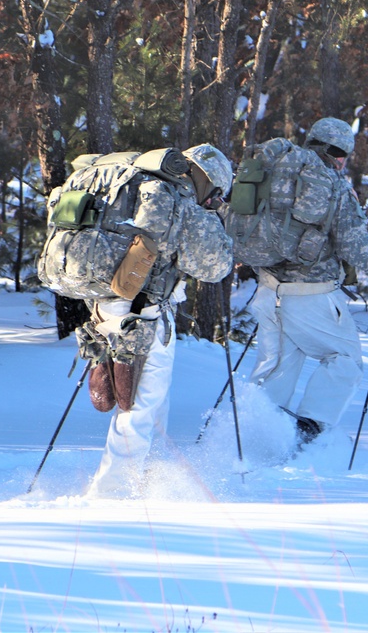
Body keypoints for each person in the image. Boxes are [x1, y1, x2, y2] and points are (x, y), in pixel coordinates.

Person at [244, 117, 368, 445]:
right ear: (337, 154)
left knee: (275, 367)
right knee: (345, 360)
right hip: (312, 296)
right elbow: (356, 247)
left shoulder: (273, 173)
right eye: (343, 155)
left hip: (267, 290)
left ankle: (254, 435)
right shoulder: (331, 185)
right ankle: (309, 431)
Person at [85, 144, 234, 498]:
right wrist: (215, 222)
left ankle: (149, 482)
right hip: (146, 313)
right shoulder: (180, 199)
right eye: (214, 196)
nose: (212, 201)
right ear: (207, 180)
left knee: (144, 400)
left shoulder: (136, 185)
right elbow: (214, 268)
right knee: (140, 404)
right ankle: (113, 495)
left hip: (105, 306)